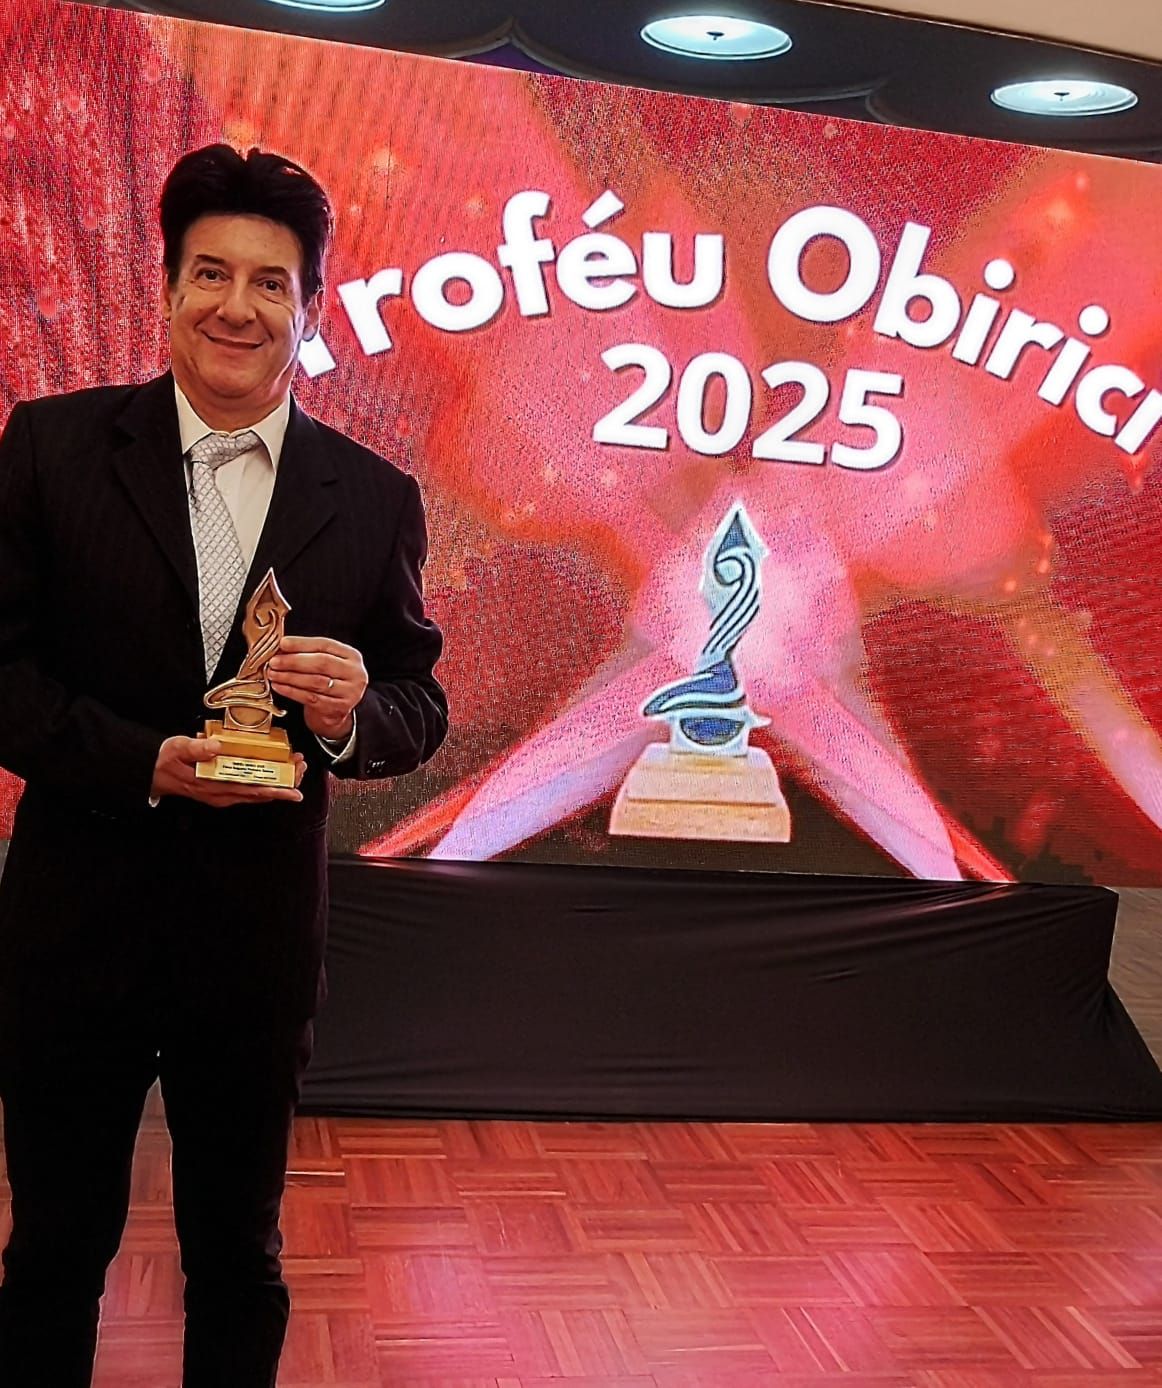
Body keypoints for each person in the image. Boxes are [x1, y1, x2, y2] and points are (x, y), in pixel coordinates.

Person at [0, 144, 448, 1387]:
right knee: (51, 1256)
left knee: (238, 1259)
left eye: (269, 281)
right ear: (166, 287)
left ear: (310, 308)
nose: (236, 307)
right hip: (71, 933)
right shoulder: (50, 447)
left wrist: (355, 714)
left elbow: (419, 701)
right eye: (210, 273)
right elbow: (4, 675)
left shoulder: (373, 497)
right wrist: (148, 762)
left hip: (251, 951)